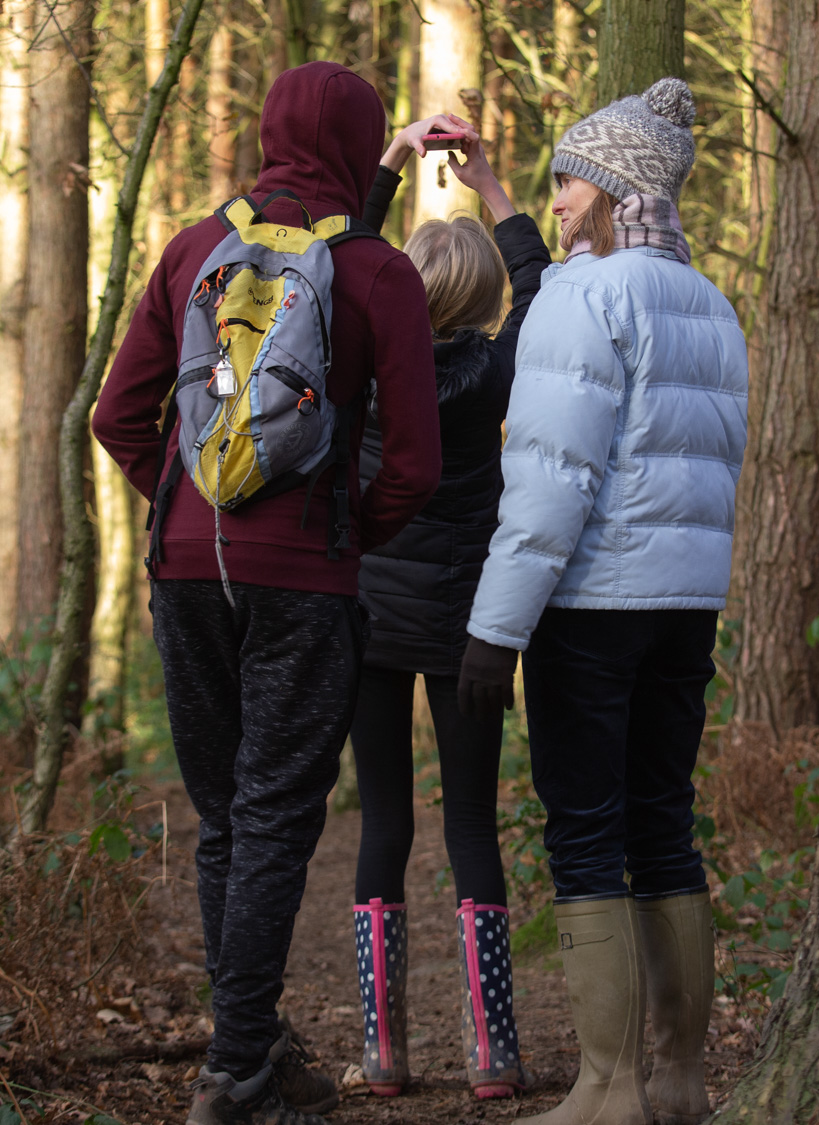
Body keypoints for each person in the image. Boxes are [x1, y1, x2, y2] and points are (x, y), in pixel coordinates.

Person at [91, 62, 442, 1125]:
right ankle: (239, 1061)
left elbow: (118, 417)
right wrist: (338, 535)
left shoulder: (196, 247)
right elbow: (416, 465)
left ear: (269, 130)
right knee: (277, 817)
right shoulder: (378, 272)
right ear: (362, 139)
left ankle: (248, 1046)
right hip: (302, 577)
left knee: (222, 821)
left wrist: (189, 507)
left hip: (189, 571)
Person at [456, 78, 750, 1125]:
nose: (560, 195)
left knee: (584, 833)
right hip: (685, 608)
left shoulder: (585, 298)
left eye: (573, 177)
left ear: (620, 187)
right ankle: (679, 1080)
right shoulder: (709, 302)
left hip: (591, 608)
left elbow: (549, 479)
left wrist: (496, 627)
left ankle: (607, 1088)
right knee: (663, 824)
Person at [344, 115, 553, 1101]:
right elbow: (542, 283)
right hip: (472, 623)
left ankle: (384, 1055)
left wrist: (388, 166)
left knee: (383, 821)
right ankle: (495, 1053)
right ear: (485, 297)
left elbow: (343, 263)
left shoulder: (368, 369)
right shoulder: (499, 369)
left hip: (372, 622)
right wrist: (494, 188)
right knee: (472, 824)